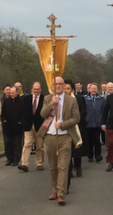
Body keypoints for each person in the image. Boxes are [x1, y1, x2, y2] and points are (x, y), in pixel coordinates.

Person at [37, 77, 80, 206]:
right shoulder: (47, 98)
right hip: (50, 136)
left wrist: (62, 124)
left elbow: (76, 118)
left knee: (63, 166)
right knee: (53, 166)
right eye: (56, 84)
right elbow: (42, 114)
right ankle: (54, 190)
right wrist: (51, 104)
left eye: (61, 84)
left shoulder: (71, 100)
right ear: (52, 85)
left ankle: (61, 193)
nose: (59, 86)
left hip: (65, 137)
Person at [63, 79, 85, 193]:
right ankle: (69, 170)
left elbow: (83, 111)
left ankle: (78, 166)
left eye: (68, 88)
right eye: (64, 88)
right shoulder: (60, 100)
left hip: (77, 127)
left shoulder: (79, 99)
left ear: (72, 90)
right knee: (68, 150)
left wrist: (75, 120)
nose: (66, 90)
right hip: (65, 128)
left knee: (76, 148)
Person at [18, 82, 45, 172]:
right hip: (28, 125)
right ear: (32, 89)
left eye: (38, 89)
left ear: (40, 89)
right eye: (34, 89)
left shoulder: (44, 99)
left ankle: (39, 163)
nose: (36, 91)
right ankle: (24, 164)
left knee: (39, 146)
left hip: (40, 126)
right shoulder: (26, 99)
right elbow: (22, 112)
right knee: (27, 144)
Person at [1, 86, 24, 166]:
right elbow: (2, 113)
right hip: (7, 126)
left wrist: (20, 122)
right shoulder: (6, 101)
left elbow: (24, 114)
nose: (12, 94)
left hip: (17, 127)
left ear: (17, 92)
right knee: (8, 143)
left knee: (17, 143)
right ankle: (9, 158)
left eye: (13, 93)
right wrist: (4, 121)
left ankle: (16, 159)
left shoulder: (21, 101)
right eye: (10, 93)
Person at [85, 83, 105, 162]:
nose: (94, 90)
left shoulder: (101, 99)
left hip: (97, 122)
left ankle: (98, 155)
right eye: (92, 89)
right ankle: (90, 156)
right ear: (89, 89)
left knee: (97, 139)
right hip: (88, 122)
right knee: (89, 140)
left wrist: (102, 121)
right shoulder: (85, 98)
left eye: (95, 89)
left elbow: (103, 110)